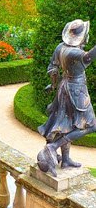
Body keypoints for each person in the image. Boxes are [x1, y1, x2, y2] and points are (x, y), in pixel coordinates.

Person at [37, 19, 96, 177]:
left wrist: (54, 84)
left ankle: (66, 159)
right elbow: (90, 56)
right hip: (76, 91)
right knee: (91, 125)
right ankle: (53, 146)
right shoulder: (75, 53)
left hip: (64, 88)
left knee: (66, 124)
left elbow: (53, 68)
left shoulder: (60, 47)